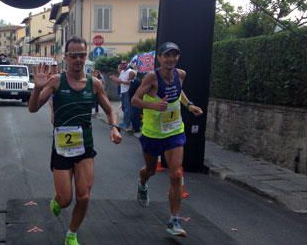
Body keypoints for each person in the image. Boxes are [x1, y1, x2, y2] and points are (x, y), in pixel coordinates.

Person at [28, 36, 123, 245]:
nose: (78, 59)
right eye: (74, 55)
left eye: (82, 55)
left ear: (86, 56)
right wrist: (37, 88)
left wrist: (114, 127)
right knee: (65, 199)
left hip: (85, 145)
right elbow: (33, 108)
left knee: (84, 196)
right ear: (66, 57)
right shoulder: (56, 81)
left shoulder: (95, 84)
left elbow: (110, 110)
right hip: (62, 147)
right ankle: (57, 200)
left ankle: (71, 233)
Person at [131, 42, 203, 237]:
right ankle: (142, 184)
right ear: (159, 58)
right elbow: (135, 100)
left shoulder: (181, 74)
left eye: (174, 55)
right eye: (167, 55)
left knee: (176, 175)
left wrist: (190, 106)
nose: (171, 59)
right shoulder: (152, 78)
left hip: (174, 131)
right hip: (153, 133)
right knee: (151, 170)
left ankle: (173, 220)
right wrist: (153, 106)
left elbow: (180, 94)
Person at [109, 60, 133, 129]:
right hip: (122, 92)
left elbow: (130, 82)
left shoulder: (130, 71)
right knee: (124, 108)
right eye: (122, 63)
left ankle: (127, 123)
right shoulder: (122, 72)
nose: (123, 64)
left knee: (127, 108)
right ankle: (125, 122)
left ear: (127, 64)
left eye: (124, 63)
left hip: (127, 91)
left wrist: (121, 81)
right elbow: (119, 82)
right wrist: (115, 79)